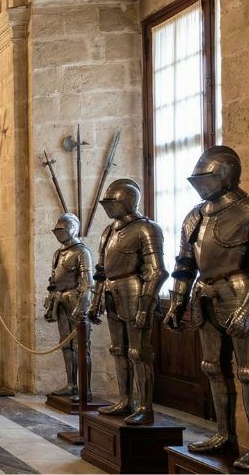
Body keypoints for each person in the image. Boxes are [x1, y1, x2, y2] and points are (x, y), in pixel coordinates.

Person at [163, 147, 249, 471]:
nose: (198, 183)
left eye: (205, 176)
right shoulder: (195, 215)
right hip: (206, 296)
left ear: (226, 173)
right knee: (213, 368)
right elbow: (184, 266)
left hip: (242, 293)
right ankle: (223, 434)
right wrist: (177, 303)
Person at [88, 179, 166, 425]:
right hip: (113, 292)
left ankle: (144, 406)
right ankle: (125, 400)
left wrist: (146, 304)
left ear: (127, 201)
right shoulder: (109, 231)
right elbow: (101, 271)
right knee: (118, 351)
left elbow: (157, 271)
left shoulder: (146, 229)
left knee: (139, 352)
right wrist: (95, 301)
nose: (107, 207)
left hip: (135, 291)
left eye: (112, 202)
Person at [43, 213, 94, 401]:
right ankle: (71, 384)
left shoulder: (82, 252)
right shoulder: (59, 252)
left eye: (62, 230)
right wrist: (50, 301)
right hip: (60, 298)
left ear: (72, 228)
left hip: (76, 298)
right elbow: (54, 279)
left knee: (81, 346)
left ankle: (85, 389)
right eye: (57, 230)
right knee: (66, 344)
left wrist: (82, 306)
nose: (59, 233)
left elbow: (88, 282)